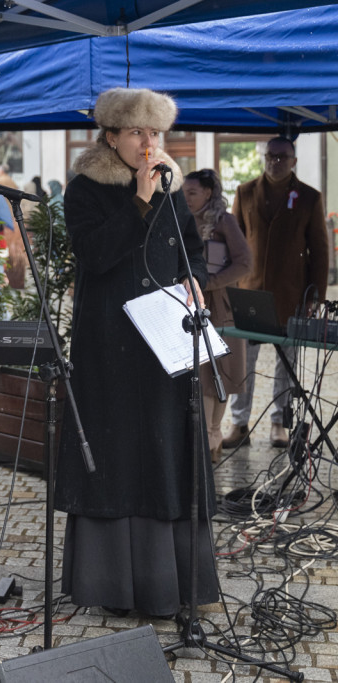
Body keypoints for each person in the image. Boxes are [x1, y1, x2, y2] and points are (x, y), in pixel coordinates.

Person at [54, 87, 218, 617]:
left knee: (167, 449)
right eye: (136, 133)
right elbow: (96, 256)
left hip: (165, 338)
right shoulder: (84, 189)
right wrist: (140, 200)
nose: (149, 144)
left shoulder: (172, 187)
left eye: (156, 133)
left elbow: (191, 250)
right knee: (121, 453)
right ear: (111, 137)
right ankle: (116, 587)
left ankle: (175, 582)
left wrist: (195, 283)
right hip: (110, 343)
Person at [222, 137, 329, 450]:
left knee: (287, 364)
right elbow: (233, 245)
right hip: (250, 294)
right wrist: (229, 291)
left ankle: (279, 424)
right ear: (263, 158)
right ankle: (239, 423)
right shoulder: (244, 192)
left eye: (283, 157)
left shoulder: (309, 197)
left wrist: (314, 299)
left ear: (293, 161)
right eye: (271, 156)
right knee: (243, 363)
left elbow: (320, 253)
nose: (276, 162)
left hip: (291, 295)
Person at [182, 169, 251, 460]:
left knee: (216, 372)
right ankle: (201, 437)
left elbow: (244, 263)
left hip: (218, 305)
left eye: (192, 193)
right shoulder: (181, 220)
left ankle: (213, 436)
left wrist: (208, 283)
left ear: (208, 193)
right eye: (184, 193)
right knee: (196, 371)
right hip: (187, 302)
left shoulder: (225, 221)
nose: (186, 198)